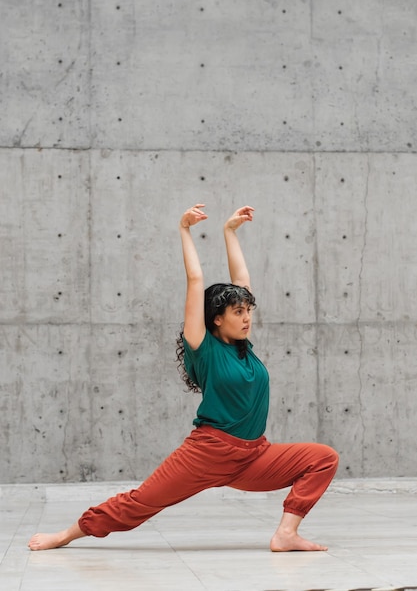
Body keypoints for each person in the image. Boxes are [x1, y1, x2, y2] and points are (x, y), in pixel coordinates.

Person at [28, 204, 338, 553]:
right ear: (216, 319)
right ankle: (68, 534)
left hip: (253, 455)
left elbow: (243, 284)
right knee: (139, 503)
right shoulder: (202, 347)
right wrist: (184, 230)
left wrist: (230, 232)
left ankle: (285, 535)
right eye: (238, 312)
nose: (247, 317)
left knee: (322, 457)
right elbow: (195, 281)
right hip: (208, 453)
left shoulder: (244, 347)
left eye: (248, 310)